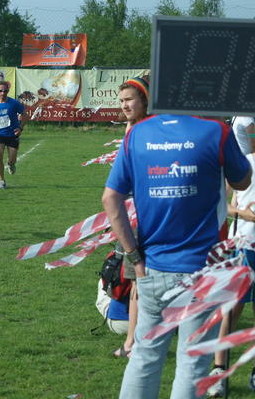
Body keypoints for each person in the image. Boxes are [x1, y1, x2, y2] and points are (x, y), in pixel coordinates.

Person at [102, 113, 251, 399]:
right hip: (204, 270)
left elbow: (110, 198)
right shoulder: (216, 131)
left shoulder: (137, 133)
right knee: (192, 364)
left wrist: (134, 257)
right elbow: (243, 181)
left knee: (144, 356)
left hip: (153, 268)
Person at [207, 115, 255, 397]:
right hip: (244, 246)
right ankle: (218, 370)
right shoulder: (246, 163)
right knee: (231, 308)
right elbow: (227, 204)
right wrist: (244, 214)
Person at [112, 74, 150, 360]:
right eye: (121, 101)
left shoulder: (148, 130)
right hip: (133, 215)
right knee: (137, 278)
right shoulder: (132, 129)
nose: (125, 105)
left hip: (148, 216)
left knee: (140, 278)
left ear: (145, 101)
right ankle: (132, 340)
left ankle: (132, 342)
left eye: (129, 100)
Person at [0, 80, 25, 190]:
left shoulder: (14, 103)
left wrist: (20, 128)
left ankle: (11, 164)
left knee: (12, 160)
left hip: (12, 135)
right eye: (0, 91)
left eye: (5, 91)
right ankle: (2, 181)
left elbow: (25, 115)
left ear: (8, 91)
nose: (3, 93)